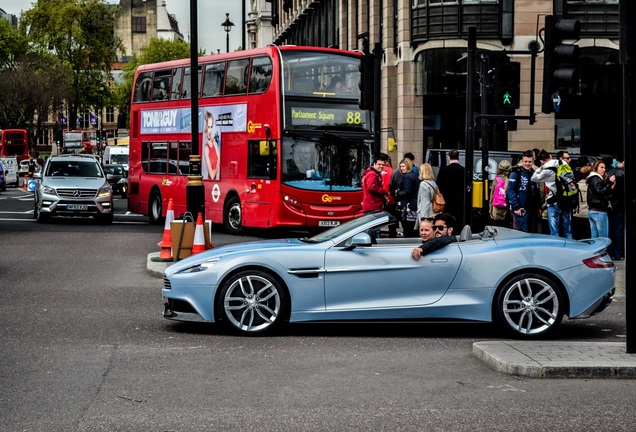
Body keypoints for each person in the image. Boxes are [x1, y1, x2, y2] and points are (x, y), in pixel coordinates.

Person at [531, 150, 572, 238]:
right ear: (550, 156)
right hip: (567, 199)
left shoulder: (546, 170)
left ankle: (557, 249)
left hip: (554, 202)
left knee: (554, 232)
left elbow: (533, 178)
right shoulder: (563, 163)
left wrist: (541, 167)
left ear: (541, 161)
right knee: (567, 230)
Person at [507, 151, 540, 233]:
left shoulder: (534, 173)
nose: (527, 164)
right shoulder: (516, 173)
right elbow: (510, 190)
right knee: (522, 231)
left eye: (529, 162)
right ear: (522, 161)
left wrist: (539, 207)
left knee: (532, 231)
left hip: (532, 209)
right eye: (525, 161)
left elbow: (537, 191)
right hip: (521, 209)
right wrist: (516, 206)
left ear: (533, 162)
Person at [586, 159, 616, 238]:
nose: (604, 169)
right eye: (601, 167)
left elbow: (599, 192)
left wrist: (609, 187)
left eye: (604, 168)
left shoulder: (593, 178)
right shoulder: (597, 178)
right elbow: (600, 191)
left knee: (595, 238)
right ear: (596, 168)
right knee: (603, 238)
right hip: (599, 211)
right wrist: (609, 183)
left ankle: (595, 250)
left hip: (592, 211)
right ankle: (602, 251)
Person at [436, 149, 465, 226]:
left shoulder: (443, 170)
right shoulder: (463, 170)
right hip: (460, 199)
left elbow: (438, 185)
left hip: (447, 200)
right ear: (458, 158)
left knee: (448, 220)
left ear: (449, 158)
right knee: (458, 219)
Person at [604, 155, 624, 259]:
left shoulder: (605, 174)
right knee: (619, 229)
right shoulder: (621, 172)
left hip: (608, 204)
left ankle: (610, 252)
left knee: (609, 229)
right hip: (620, 204)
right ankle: (618, 253)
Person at [395, 158, 419, 237]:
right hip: (413, 204)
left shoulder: (407, 177)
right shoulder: (413, 175)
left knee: (408, 228)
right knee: (411, 228)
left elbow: (407, 192)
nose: (401, 168)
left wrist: (398, 193)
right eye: (401, 166)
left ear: (408, 166)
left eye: (403, 166)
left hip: (408, 205)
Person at [489, 159, 512, 227]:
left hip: (497, 207)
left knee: (497, 227)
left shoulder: (496, 180)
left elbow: (492, 195)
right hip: (507, 208)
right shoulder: (511, 179)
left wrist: (490, 210)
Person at [379, 153, 398, 237]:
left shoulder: (377, 170)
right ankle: (392, 235)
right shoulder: (391, 170)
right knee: (391, 219)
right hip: (390, 198)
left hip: (380, 197)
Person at [572, 165, 592, 240]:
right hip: (588, 214)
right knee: (587, 237)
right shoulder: (592, 185)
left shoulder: (577, 185)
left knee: (577, 238)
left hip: (577, 214)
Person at [202, 110, 220, 180]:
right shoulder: (206, 148)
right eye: (208, 127)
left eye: (211, 127)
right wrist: (217, 166)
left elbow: (220, 161)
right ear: (205, 127)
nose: (210, 130)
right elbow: (212, 176)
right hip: (210, 183)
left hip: (216, 183)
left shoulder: (214, 143)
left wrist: (215, 146)